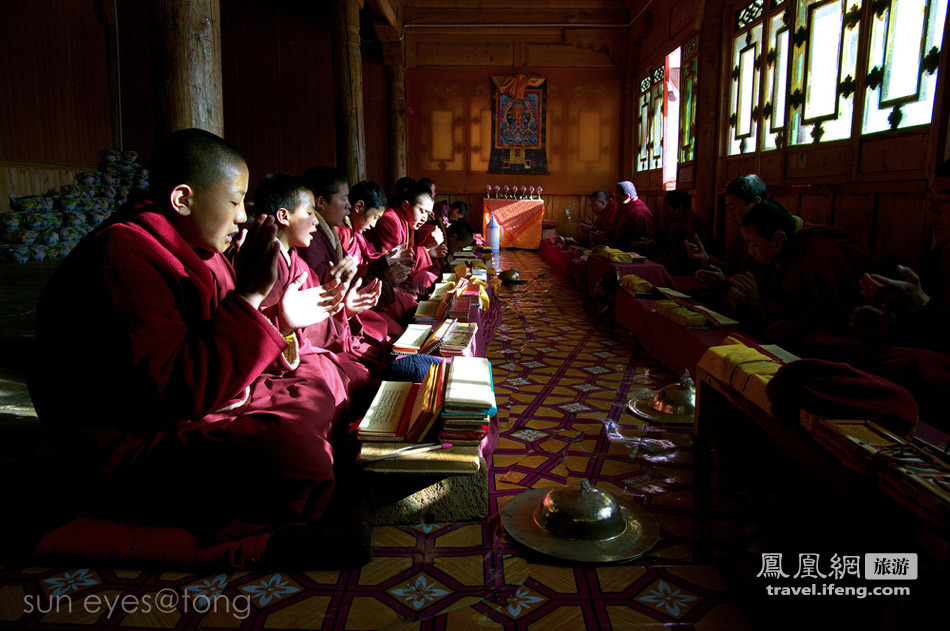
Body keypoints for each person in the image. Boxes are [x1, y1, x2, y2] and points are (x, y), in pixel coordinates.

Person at [29, 129, 362, 556]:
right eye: (235, 200)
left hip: (213, 398)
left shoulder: (201, 247)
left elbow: (228, 340)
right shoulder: (124, 255)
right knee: (297, 457)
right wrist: (252, 295)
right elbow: (174, 388)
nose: (243, 216)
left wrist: (270, 312)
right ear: (183, 200)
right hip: (135, 438)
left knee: (324, 377)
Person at [251, 172, 381, 392]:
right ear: (284, 216)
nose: (315, 221)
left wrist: (344, 308)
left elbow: (317, 309)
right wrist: (284, 325)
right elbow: (263, 331)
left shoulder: (296, 262)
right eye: (310, 213)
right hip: (279, 365)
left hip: (309, 345)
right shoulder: (262, 264)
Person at [847, 159, 950, 428]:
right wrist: (889, 324)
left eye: (946, 200)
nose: (932, 210)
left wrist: (921, 303)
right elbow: (932, 332)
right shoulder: (940, 254)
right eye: (930, 199)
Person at [729, 200, 877, 347]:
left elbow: (819, 317)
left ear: (778, 239)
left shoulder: (819, 256)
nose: (750, 252)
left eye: (753, 244)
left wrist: (758, 303)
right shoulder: (779, 247)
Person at [297, 167, 389, 372]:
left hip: (334, 320)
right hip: (317, 331)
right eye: (344, 199)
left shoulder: (327, 231)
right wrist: (339, 289)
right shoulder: (310, 238)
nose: (348, 207)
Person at [337, 179, 409, 339]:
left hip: (364, 292)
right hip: (351, 303)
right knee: (390, 332)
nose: (374, 225)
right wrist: (384, 274)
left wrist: (386, 261)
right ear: (358, 207)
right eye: (375, 217)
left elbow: (370, 258)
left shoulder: (355, 234)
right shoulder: (340, 233)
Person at [686, 173, 766, 287]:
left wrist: (725, 283)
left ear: (756, 202)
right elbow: (733, 269)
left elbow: (758, 287)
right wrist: (706, 258)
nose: (731, 215)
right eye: (729, 209)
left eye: (733, 208)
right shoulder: (748, 235)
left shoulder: (768, 236)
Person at [368, 180, 438, 297]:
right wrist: (427, 249)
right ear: (405, 205)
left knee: (430, 279)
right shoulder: (389, 220)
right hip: (382, 280)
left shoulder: (407, 220)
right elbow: (391, 263)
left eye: (428, 214)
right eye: (422, 211)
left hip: (399, 276)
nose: (424, 218)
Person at [658, 189, 711, 274]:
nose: (664, 213)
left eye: (666, 209)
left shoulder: (689, 227)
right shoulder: (679, 222)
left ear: (679, 209)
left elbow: (681, 260)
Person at [609, 181, 656, 251]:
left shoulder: (636, 213)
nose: (614, 200)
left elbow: (626, 242)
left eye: (616, 197)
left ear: (627, 197)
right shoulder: (625, 207)